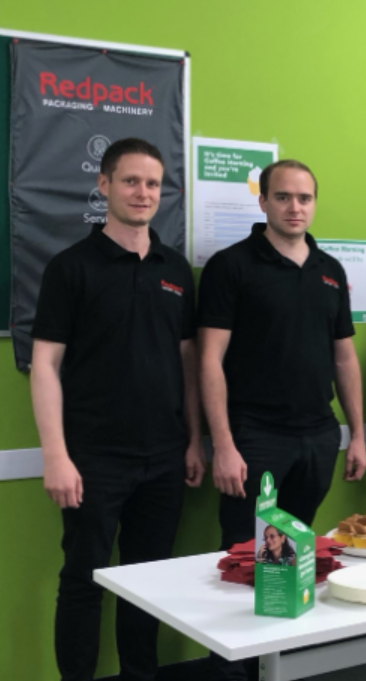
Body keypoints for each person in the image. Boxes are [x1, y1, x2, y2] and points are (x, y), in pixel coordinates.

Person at [30, 137, 205, 681]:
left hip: (164, 457)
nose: (142, 192)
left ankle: (141, 675)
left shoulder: (176, 268)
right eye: (130, 181)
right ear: (103, 184)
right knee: (83, 580)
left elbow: (188, 363)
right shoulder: (70, 268)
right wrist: (56, 456)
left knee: (147, 582)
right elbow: (44, 366)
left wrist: (195, 440)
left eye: (152, 183)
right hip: (92, 459)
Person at [199, 159, 366, 680]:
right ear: (263, 202)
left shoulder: (330, 269)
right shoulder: (232, 266)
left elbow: (344, 358)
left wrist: (358, 434)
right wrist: (223, 444)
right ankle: (232, 671)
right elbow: (209, 359)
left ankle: (276, 664)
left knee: (296, 559)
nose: (295, 207)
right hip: (254, 438)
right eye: (283, 197)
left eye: (305, 198)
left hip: (317, 436)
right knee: (245, 558)